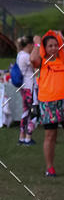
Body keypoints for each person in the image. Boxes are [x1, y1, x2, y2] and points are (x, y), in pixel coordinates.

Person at [30, 30, 64, 176]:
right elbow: (33, 59)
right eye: (50, 46)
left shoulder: (62, 59)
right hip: (48, 103)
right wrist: (37, 43)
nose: (53, 48)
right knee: (50, 135)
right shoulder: (41, 62)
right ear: (45, 48)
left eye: (55, 45)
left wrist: (60, 36)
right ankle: (50, 168)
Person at [15, 35, 37, 146]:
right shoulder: (27, 56)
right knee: (34, 112)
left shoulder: (20, 54)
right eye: (33, 45)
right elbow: (36, 65)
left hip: (24, 86)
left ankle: (22, 137)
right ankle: (28, 137)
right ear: (29, 45)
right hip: (30, 86)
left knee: (25, 112)